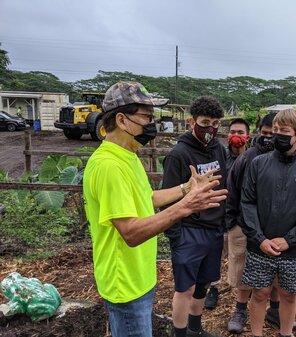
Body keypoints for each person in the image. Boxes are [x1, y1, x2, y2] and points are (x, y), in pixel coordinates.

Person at [83, 82, 227, 337]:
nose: (153, 123)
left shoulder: (128, 156)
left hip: (139, 276)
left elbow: (146, 198)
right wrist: (184, 207)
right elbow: (130, 232)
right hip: (124, 283)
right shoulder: (109, 166)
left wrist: (186, 188)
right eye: (147, 117)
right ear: (122, 119)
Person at [240, 109, 296, 337]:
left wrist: (291, 239)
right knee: (259, 292)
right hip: (261, 244)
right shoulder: (258, 164)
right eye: (275, 130)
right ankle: (256, 333)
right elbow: (247, 202)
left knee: (289, 294)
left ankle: (286, 333)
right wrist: (259, 238)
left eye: (284, 131)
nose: (277, 135)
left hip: (294, 248)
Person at [162, 96, 227, 337]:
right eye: (205, 122)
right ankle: (179, 333)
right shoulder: (178, 154)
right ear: (192, 121)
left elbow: (225, 185)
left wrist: (223, 221)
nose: (210, 128)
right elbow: (167, 198)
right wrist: (176, 235)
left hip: (214, 230)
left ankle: (195, 328)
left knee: (204, 285)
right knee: (185, 288)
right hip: (188, 232)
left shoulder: (219, 149)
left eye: (216, 123)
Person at [225, 112, 277, 333]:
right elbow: (232, 191)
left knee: (276, 270)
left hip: (274, 226)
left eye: (273, 134)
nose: (268, 138)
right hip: (244, 225)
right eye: (264, 133)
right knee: (242, 270)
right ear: (258, 132)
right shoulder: (247, 159)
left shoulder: (287, 160)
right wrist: (232, 223)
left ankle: (275, 309)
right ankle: (240, 310)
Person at [204, 117, 250, 310]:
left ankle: (241, 302)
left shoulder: (253, 159)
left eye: (240, 132)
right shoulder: (219, 157)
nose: (236, 136)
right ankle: (213, 288)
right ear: (227, 135)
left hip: (241, 219)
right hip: (219, 216)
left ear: (248, 136)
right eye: (232, 132)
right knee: (214, 256)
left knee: (240, 259)